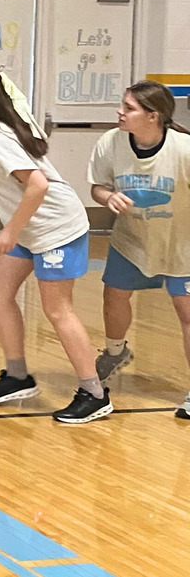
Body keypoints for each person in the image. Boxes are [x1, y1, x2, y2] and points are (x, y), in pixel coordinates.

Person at [0, 66, 111, 424]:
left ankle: (95, 393)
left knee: (58, 311)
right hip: (31, 228)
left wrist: (11, 229)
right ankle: (17, 376)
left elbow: (38, 185)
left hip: (56, 227)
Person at [88, 81, 190, 419]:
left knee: (186, 313)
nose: (120, 112)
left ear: (153, 116)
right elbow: (97, 187)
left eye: (129, 108)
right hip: (131, 238)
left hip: (180, 242)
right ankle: (115, 351)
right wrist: (108, 196)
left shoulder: (184, 149)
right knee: (114, 295)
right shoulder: (111, 142)